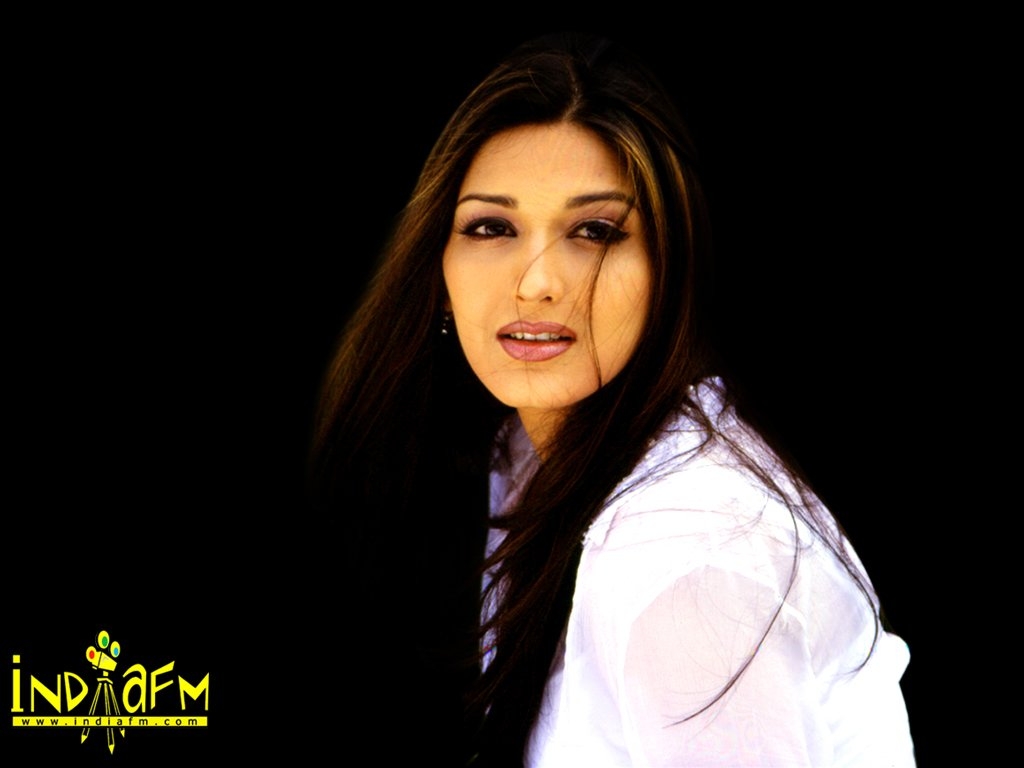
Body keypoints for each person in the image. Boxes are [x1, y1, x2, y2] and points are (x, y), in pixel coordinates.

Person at [308, 31, 916, 767]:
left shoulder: (686, 559)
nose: (538, 282)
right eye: (492, 227)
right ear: (437, 273)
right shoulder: (533, 453)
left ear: (667, 268)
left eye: (595, 231)